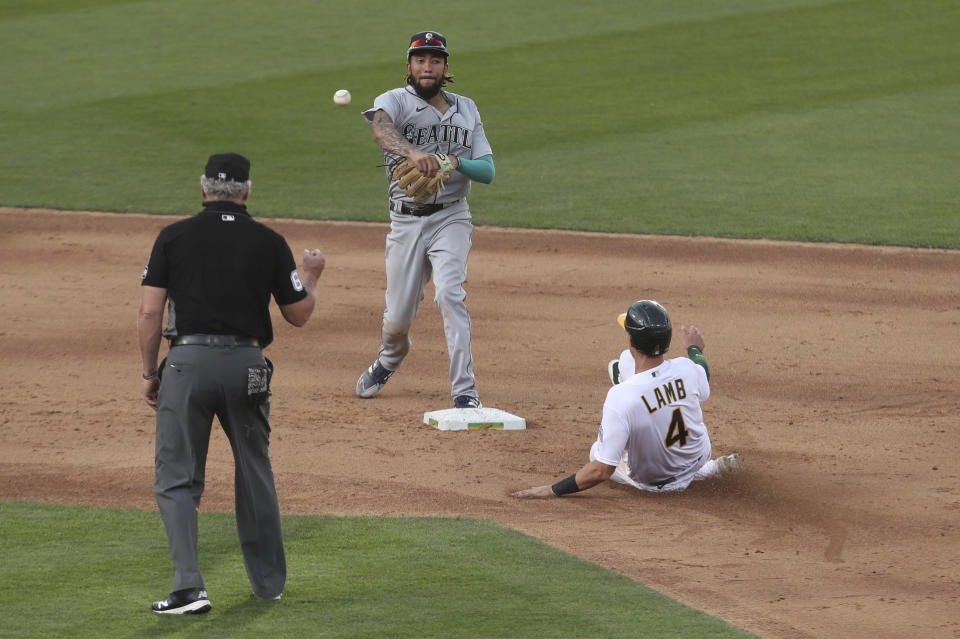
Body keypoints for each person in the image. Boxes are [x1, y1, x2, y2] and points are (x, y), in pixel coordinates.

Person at [138, 153, 326, 613]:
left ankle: (188, 587)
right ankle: (268, 585)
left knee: (177, 479)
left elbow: (149, 313)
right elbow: (299, 315)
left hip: (186, 364)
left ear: (203, 190)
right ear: (246, 193)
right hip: (247, 365)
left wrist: (149, 372)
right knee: (254, 470)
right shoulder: (269, 240)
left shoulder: (173, 236)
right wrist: (313, 277)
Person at [356, 30, 495, 409]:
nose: (427, 67)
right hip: (405, 222)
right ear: (409, 67)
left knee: (450, 294)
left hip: (452, 217)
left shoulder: (466, 109)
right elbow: (381, 129)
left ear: (446, 67)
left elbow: (487, 170)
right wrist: (412, 152)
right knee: (398, 318)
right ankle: (389, 358)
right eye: (420, 60)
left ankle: (465, 391)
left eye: (435, 60)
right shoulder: (394, 101)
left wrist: (454, 161)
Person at [511, 300, 744, 499]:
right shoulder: (687, 368)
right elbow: (703, 370)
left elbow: (601, 470)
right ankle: (709, 469)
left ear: (631, 342)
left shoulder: (620, 397)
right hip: (697, 457)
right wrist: (694, 348)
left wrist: (553, 490)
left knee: (597, 452)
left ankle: (705, 472)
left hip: (655, 483)